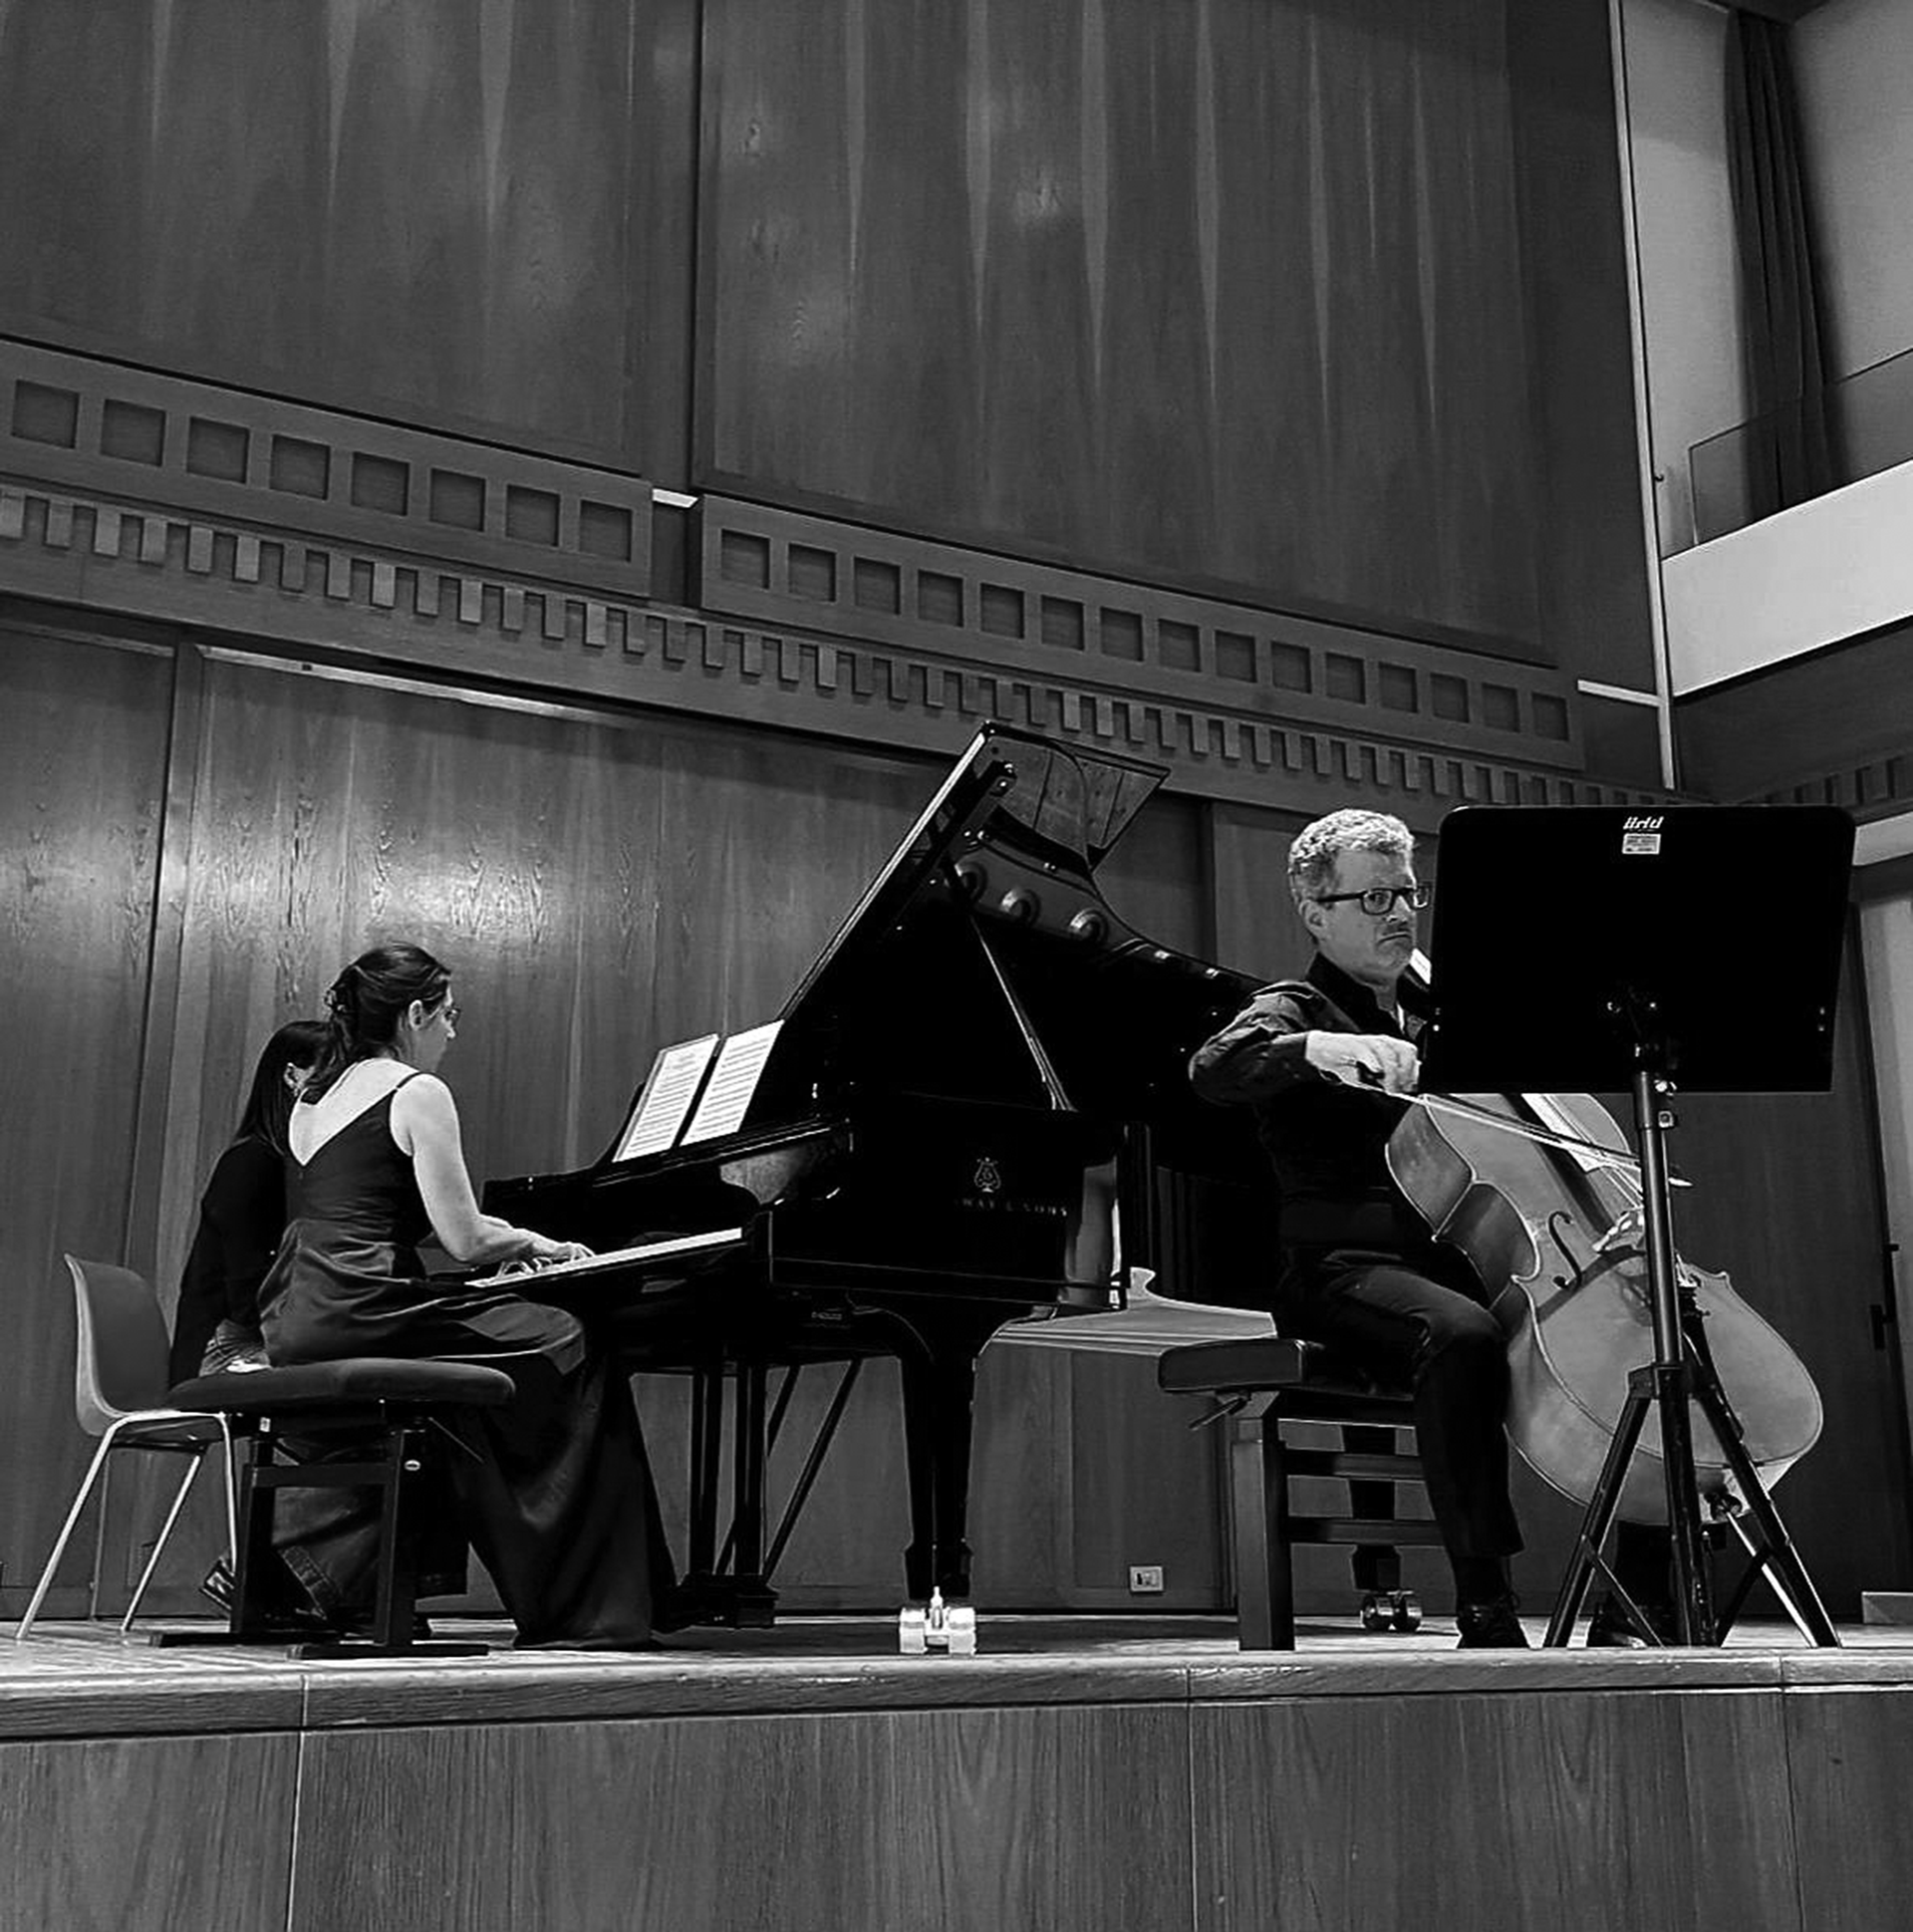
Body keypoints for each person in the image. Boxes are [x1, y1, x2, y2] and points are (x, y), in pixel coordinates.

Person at [1189, 808, 1670, 1648]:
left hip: (1467, 1264)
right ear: (1315, 911)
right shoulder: (1292, 1008)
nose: (1399, 914)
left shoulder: (1445, 1017)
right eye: (1373, 897)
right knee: (1463, 1335)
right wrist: (1313, 1051)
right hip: (1343, 1271)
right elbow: (1213, 1069)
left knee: (1648, 1336)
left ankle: (1637, 1597)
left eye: (1408, 893)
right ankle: (1485, 1601)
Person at [255, 941, 679, 1648]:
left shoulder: (313, 1096)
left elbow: (373, 1213)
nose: (452, 1031)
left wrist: (502, 1250)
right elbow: (464, 1239)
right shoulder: (416, 1092)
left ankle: (361, 1569)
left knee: (485, 1355)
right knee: (569, 1338)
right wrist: (541, 1245)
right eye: (449, 1015)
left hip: (301, 1309)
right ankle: (586, 1604)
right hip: (364, 1305)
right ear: (414, 1014)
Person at [169, 1019, 331, 1384]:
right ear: (292, 1076)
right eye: (333, 1075)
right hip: (222, 1349)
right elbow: (247, 1289)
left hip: (251, 1337)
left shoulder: (291, 1163)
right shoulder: (253, 1160)